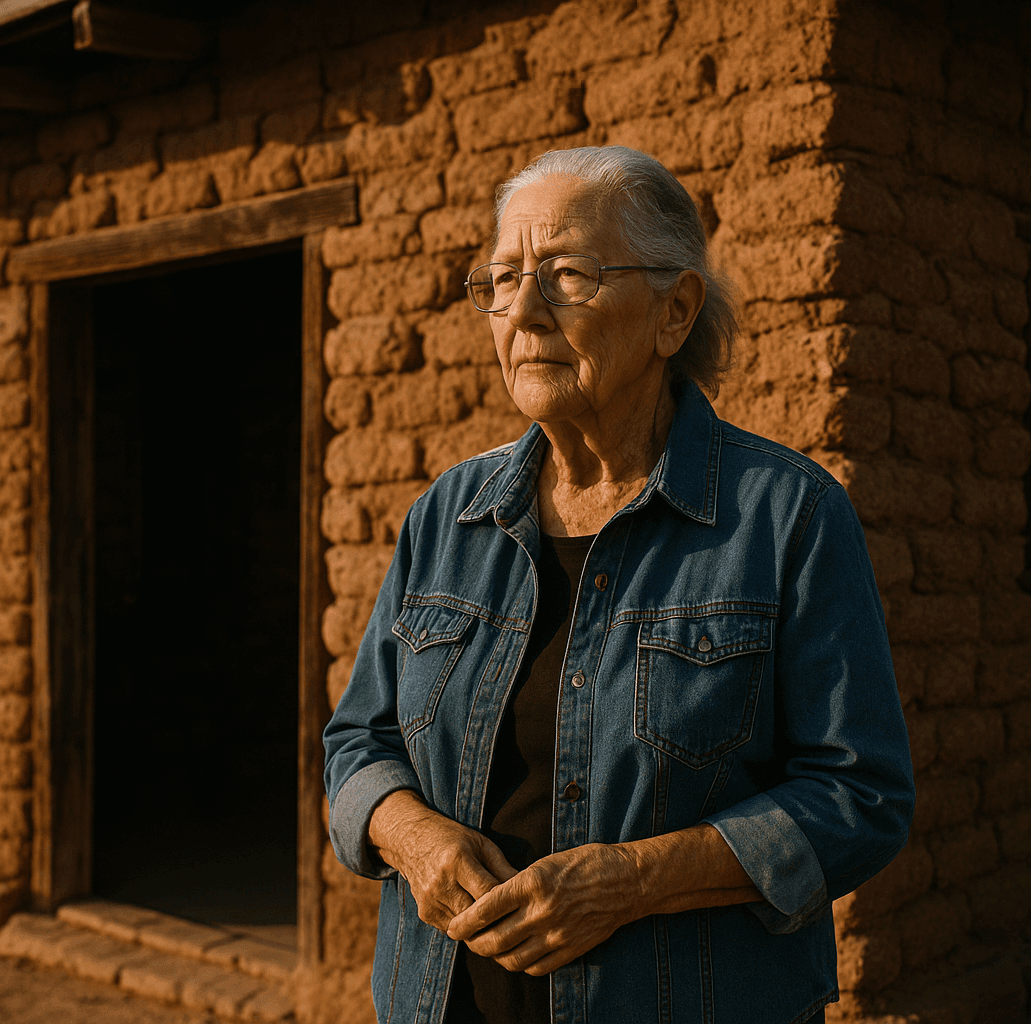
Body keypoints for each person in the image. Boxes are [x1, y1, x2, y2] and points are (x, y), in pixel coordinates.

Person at [321, 145, 914, 1024]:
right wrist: (414, 839)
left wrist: (632, 881)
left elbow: (859, 794)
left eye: (566, 275)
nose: (523, 311)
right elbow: (355, 744)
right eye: (502, 278)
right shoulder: (447, 516)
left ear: (674, 311)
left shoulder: (786, 518)